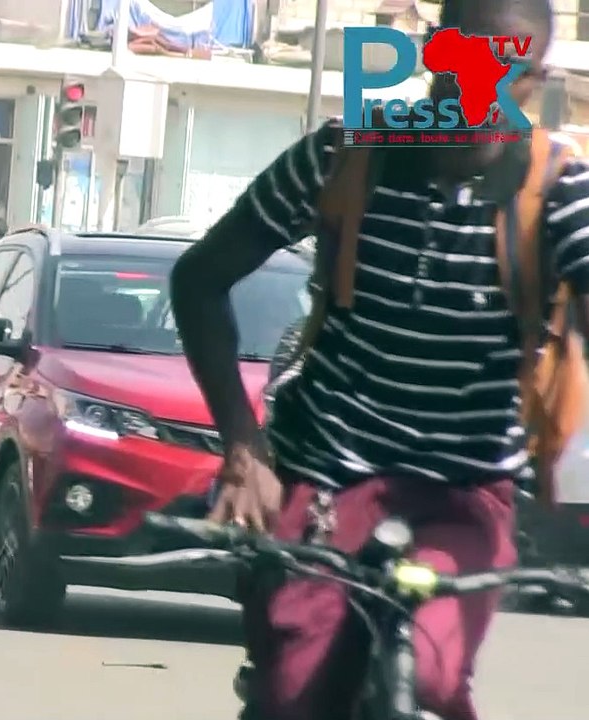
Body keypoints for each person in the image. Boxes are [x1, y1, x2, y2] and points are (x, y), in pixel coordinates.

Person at [167, 2, 572, 718]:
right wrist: (241, 445)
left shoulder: (559, 194)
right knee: (293, 691)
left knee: (436, 684)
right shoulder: (341, 157)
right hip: (324, 469)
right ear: (432, 55)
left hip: (465, 486)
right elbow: (199, 278)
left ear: (534, 83)